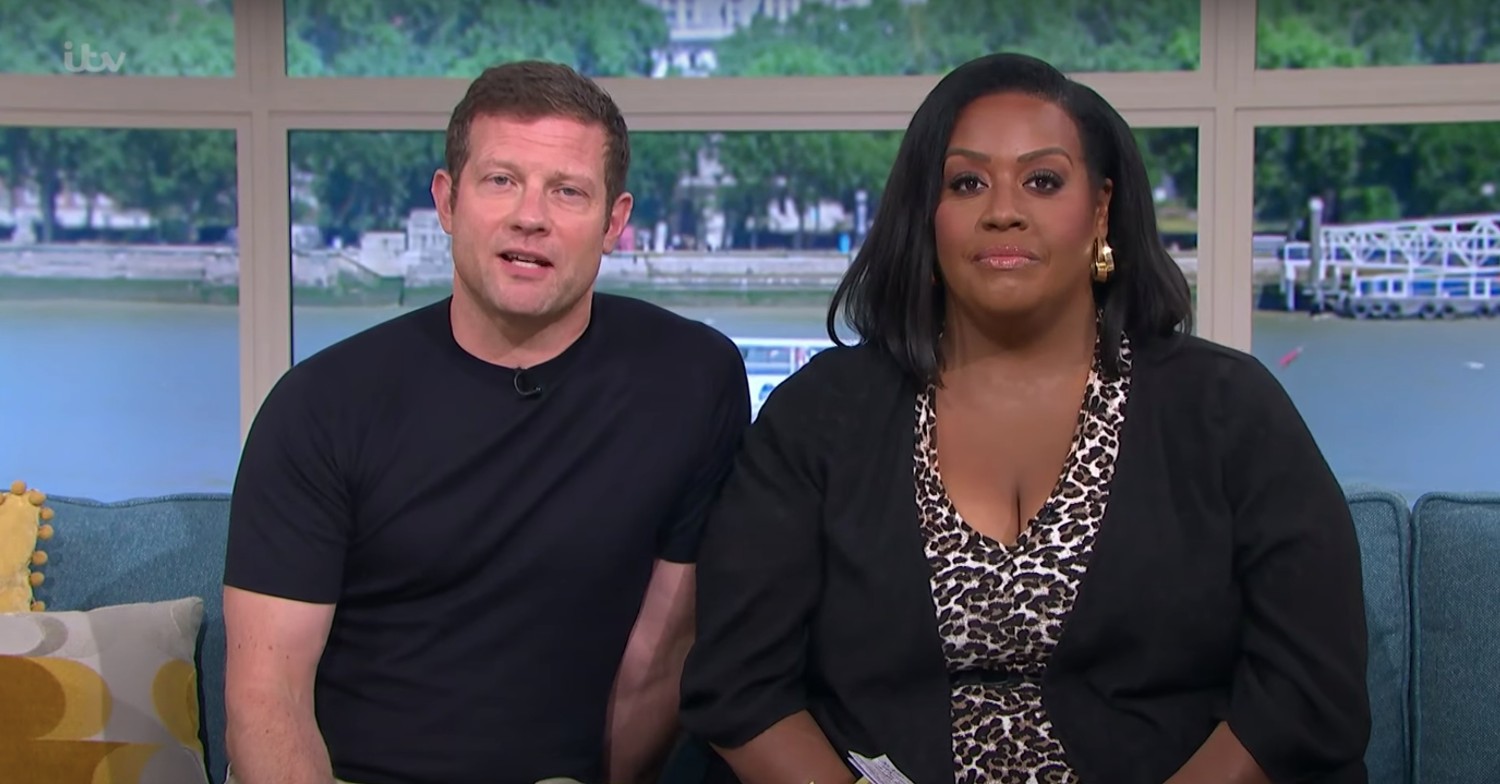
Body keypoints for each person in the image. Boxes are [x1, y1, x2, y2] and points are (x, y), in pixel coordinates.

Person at [679, 52, 1370, 784]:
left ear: (1100, 210)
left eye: (1042, 180)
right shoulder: (820, 415)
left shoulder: (1229, 409)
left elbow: (1308, 683)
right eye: (967, 182)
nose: (1003, 209)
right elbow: (739, 683)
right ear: (929, 215)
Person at [222, 60, 749, 784]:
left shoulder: (692, 379)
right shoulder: (322, 404)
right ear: (448, 201)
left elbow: (663, 653)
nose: (530, 216)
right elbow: (266, 699)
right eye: (501, 181)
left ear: (614, 223)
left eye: (567, 191)